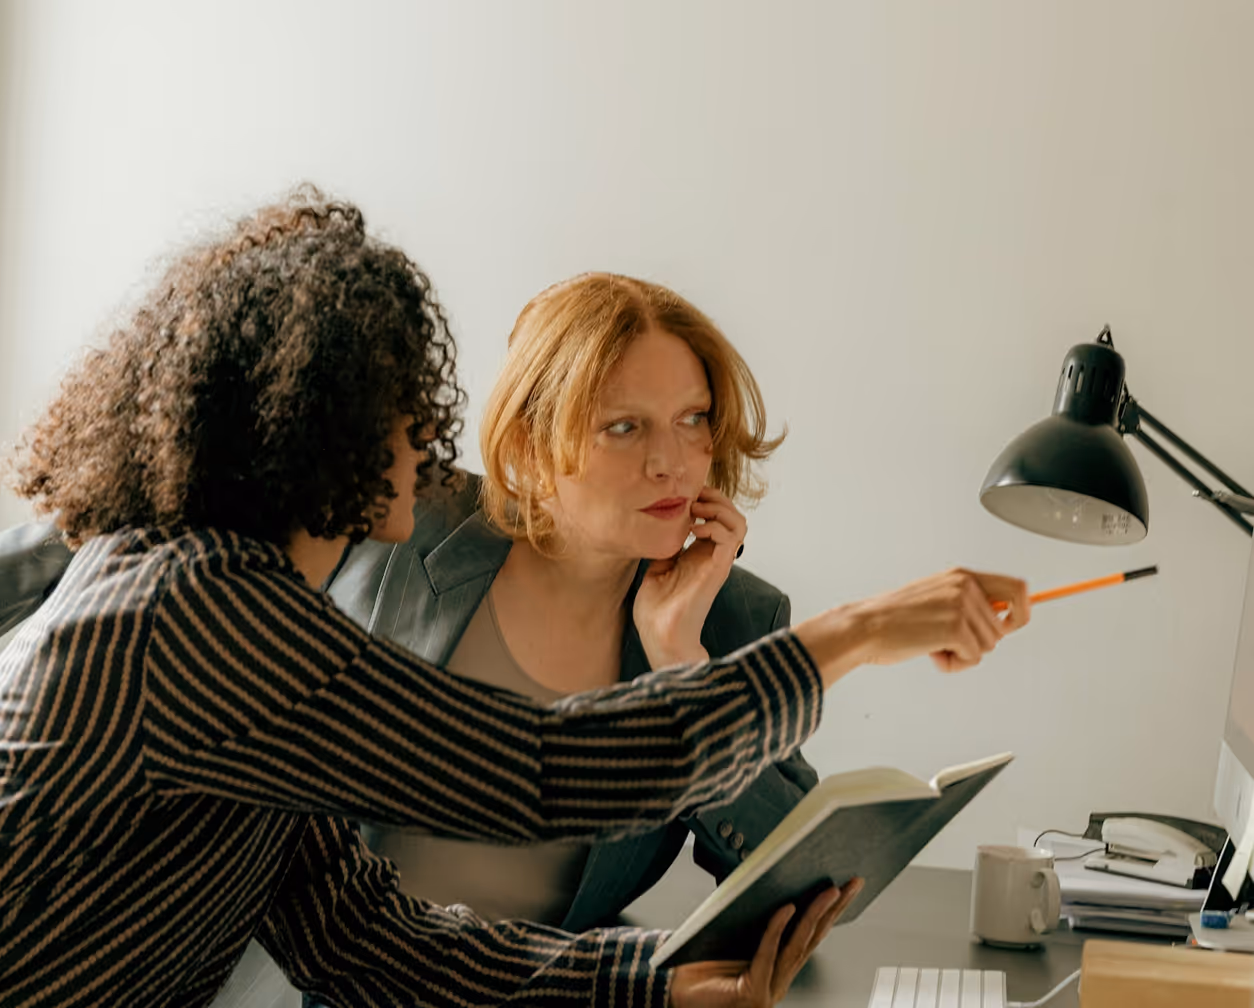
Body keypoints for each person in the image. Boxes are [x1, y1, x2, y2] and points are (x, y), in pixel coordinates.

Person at [0, 189, 1030, 1008]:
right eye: (406, 411)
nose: (430, 437)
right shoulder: (201, 618)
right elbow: (538, 768)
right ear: (318, 428)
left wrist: (645, 988)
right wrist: (858, 632)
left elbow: (358, 934)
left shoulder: (223, 617)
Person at [323, 272, 820, 942]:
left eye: (693, 419)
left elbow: (812, 883)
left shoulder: (734, 619)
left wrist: (686, 674)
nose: (671, 463)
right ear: (529, 442)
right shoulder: (402, 521)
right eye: (624, 427)